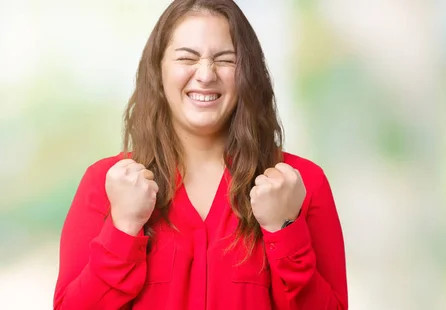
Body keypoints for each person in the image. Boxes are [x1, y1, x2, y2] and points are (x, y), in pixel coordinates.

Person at [52, 0, 347, 309]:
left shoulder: (301, 185)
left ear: (248, 72)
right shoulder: (105, 184)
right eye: (186, 57)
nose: (206, 74)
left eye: (225, 60)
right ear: (158, 69)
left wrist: (285, 231)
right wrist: (123, 227)